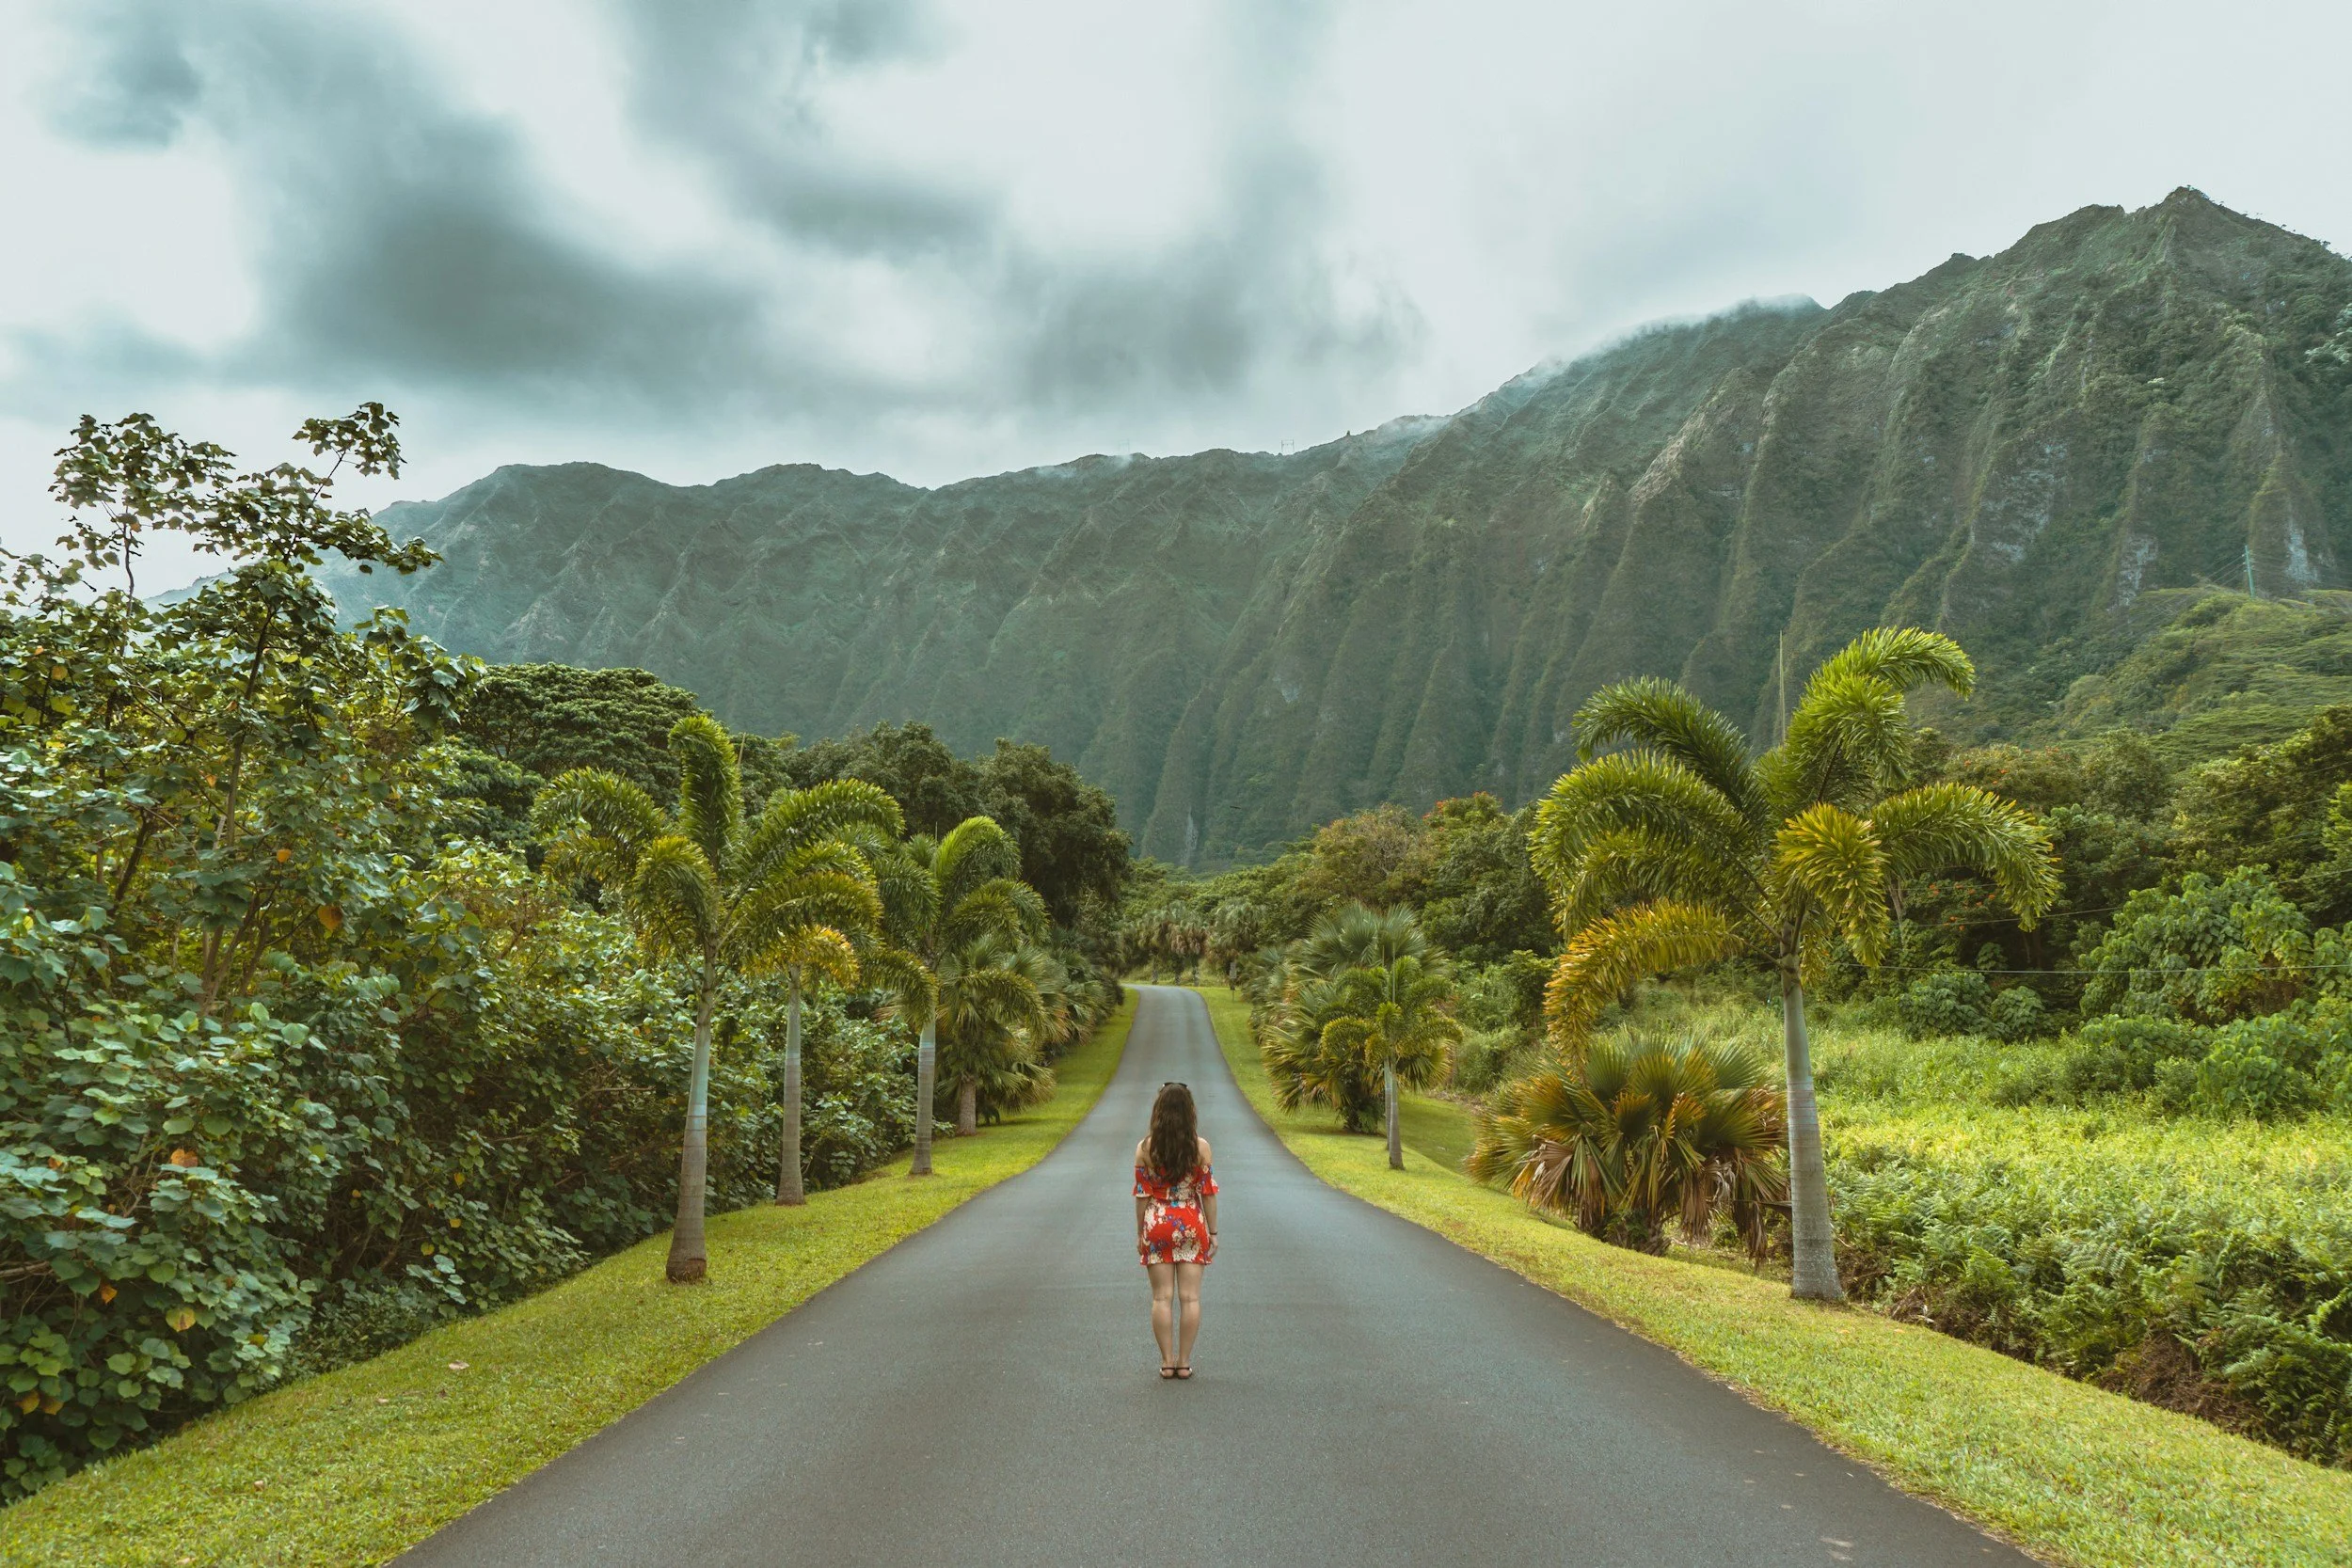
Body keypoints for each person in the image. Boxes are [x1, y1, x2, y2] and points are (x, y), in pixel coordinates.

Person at [1135, 1081, 1217, 1380]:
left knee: (1161, 1298)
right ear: (1189, 1112)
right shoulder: (1201, 1147)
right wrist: (1214, 1231)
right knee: (1190, 1298)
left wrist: (1140, 1233)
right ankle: (1184, 1362)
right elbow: (1207, 1193)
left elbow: (1142, 1195)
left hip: (1157, 1222)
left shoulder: (1145, 1148)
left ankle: (1166, 1362)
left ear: (1158, 1112)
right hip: (1190, 1221)